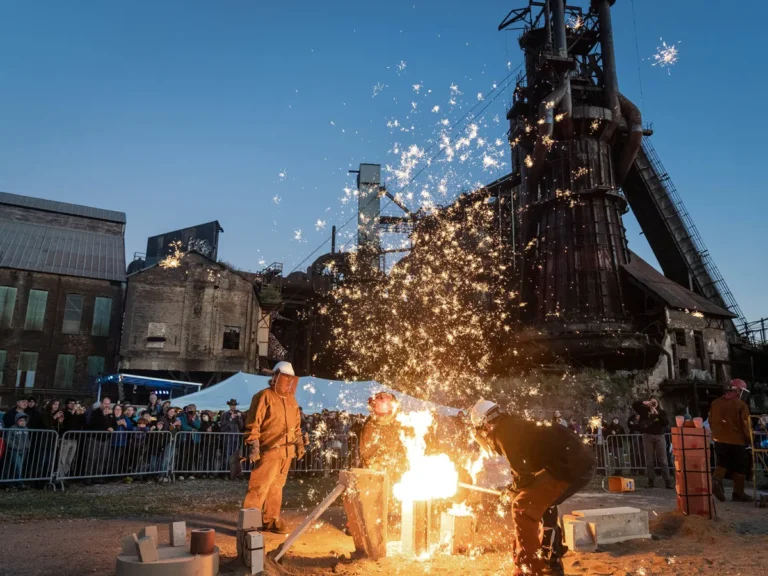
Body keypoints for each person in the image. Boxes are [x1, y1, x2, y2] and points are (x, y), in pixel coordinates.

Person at [470, 400, 595, 576]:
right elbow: (526, 470)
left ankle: (527, 568)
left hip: (569, 466)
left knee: (522, 508)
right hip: (578, 461)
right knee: (541, 504)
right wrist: (514, 488)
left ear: (486, 425)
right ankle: (551, 561)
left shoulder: (502, 433)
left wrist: (512, 491)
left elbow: (523, 476)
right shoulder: (512, 425)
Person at [243, 361, 304, 533]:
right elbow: (253, 423)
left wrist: (299, 444)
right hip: (269, 450)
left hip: (286, 452)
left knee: (276, 488)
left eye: (289, 379)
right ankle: (249, 522)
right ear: (275, 376)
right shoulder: (264, 396)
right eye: (284, 378)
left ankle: (270, 519)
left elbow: (296, 426)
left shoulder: (292, 400)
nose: (287, 382)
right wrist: (253, 444)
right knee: (259, 487)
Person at [709, 379, 753, 502]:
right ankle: (738, 493)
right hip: (737, 440)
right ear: (738, 391)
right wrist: (750, 438)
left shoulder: (715, 403)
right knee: (741, 466)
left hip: (719, 439)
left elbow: (711, 421)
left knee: (722, 462)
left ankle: (716, 480)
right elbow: (746, 425)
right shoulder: (741, 405)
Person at [359, 392, 407, 481]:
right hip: (377, 475)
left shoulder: (400, 422)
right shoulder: (370, 428)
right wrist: (381, 464)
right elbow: (368, 456)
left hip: (398, 471)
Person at [632, 396, 673, 489]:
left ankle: (667, 481)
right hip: (647, 436)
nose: (653, 404)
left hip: (659, 436)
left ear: (658, 403)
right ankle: (651, 481)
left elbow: (665, 422)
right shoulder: (644, 411)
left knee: (663, 460)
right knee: (649, 460)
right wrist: (644, 402)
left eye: (655, 402)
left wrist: (657, 414)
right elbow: (634, 405)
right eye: (651, 402)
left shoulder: (662, 412)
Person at [219, 398, 245, 476]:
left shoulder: (238, 414)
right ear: (229, 406)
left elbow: (241, 426)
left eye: (234, 405)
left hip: (236, 437)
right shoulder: (225, 414)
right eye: (232, 405)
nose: (233, 407)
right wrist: (230, 418)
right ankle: (225, 472)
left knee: (235, 455)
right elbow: (223, 426)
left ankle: (233, 473)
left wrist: (240, 418)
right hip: (228, 437)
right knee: (227, 454)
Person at [6, 413, 32, 489]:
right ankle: (20, 483)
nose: (23, 422)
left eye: (24, 420)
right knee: (18, 467)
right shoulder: (12, 428)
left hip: (24, 451)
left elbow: (28, 439)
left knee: (18, 468)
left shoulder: (26, 428)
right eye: (20, 420)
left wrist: (27, 446)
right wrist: (15, 447)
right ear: (16, 421)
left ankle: (14, 483)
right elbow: (8, 440)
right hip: (15, 451)